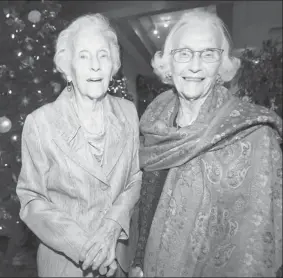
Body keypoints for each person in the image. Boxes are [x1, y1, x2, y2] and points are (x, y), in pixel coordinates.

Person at [130, 9, 282, 277]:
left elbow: (258, 238)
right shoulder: (154, 118)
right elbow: (147, 198)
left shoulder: (255, 135)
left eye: (208, 54)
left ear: (222, 64)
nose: (195, 66)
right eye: (184, 53)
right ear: (168, 62)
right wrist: (138, 261)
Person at [16, 13, 142, 277]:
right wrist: (86, 248)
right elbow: (32, 199)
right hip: (67, 266)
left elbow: (135, 178)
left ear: (113, 65)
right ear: (68, 67)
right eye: (83, 56)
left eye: (103, 56)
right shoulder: (40, 123)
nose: (95, 66)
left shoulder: (129, 112)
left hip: (118, 260)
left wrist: (110, 226)